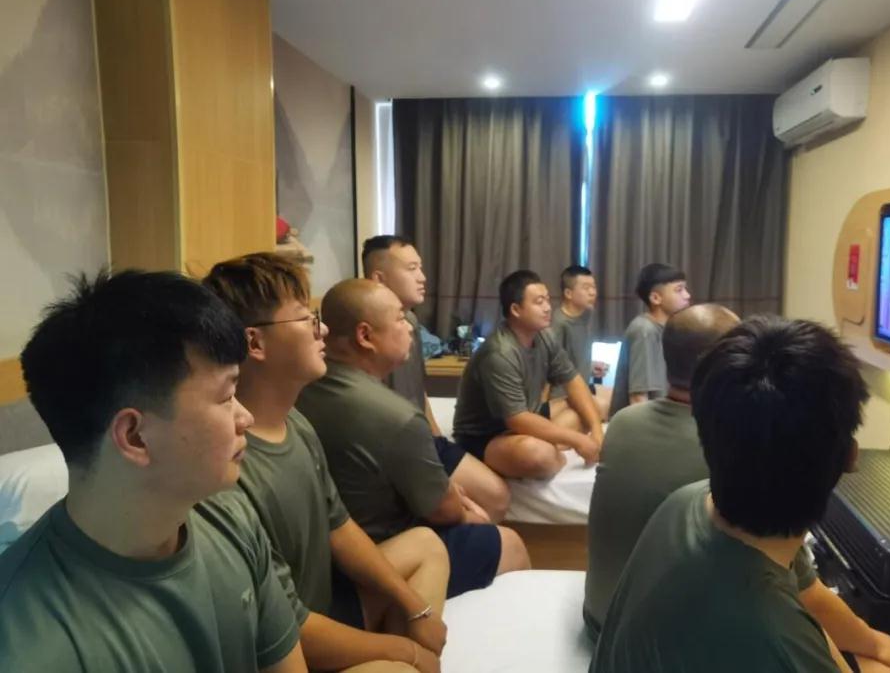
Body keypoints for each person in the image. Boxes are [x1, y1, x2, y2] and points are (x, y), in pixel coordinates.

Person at [2, 271, 305, 672]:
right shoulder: (28, 646)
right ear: (135, 437)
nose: (245, 417)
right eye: (227, 396)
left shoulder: (230, 519)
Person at [585, 306, 890, 673]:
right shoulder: (771, 634)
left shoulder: (682, 503)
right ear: (850, 457)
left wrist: (869, 646)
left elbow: (808, 606)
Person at [204, 253, 450, 673]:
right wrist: (402, 651)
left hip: (326, 608)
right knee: (400, 667)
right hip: (290, 645)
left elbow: (340, 527)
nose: (322, 330)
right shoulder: (230, 465)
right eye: (306, 319)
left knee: (426, 543)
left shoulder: (297, 424)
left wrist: (416, 609)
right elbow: (286, 627)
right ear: (254, 343)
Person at [297, 278, 531, 597]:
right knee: (509, 542)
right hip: (375, 556)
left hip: (330, 550)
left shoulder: (303, 387)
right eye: (399, 319)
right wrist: (465, 512)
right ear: (365, 336)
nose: (409, 327)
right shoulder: (396, 416)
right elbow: (443, 511)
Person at [363, 235, 510, 521]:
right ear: (379, 278)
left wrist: (436, 439)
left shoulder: (411, 323)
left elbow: (417, 390)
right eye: (411, 269)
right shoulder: (367, 334)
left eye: (420, 268)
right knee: (482, 506)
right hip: (398, 447)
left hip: (421, 437)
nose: (422, 277)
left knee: (497, 496)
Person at [453, 269, 604, 479]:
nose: (547, 307)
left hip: (528, 417)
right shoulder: (500, 353)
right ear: (516, 309)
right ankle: (554, 451)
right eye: (539, 302)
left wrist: (597, 431)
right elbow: (517, 419)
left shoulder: (544, 336)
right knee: (538, 455)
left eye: (547, 300)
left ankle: (553, 445)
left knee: (592, 407)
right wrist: (577, 440)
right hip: (486, 435)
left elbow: (573, 381)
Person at [609, 262, 691, 417]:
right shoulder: (644, 330)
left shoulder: (669, 330)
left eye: (685, 289)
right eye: (679, 290)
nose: (687, 295)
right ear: (655, 298)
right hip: (639, 423)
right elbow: (638, 399)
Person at [548, 265, 611, 421]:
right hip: (563, 393)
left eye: (594, 287)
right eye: (586, 288)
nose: (592, 292)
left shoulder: (587, 313)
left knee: (618, 398)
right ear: (568, 293)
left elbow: (570, 356)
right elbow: (550, 369)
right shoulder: (558, 324)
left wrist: (590, 366)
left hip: (582, 385)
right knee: (604, 408)